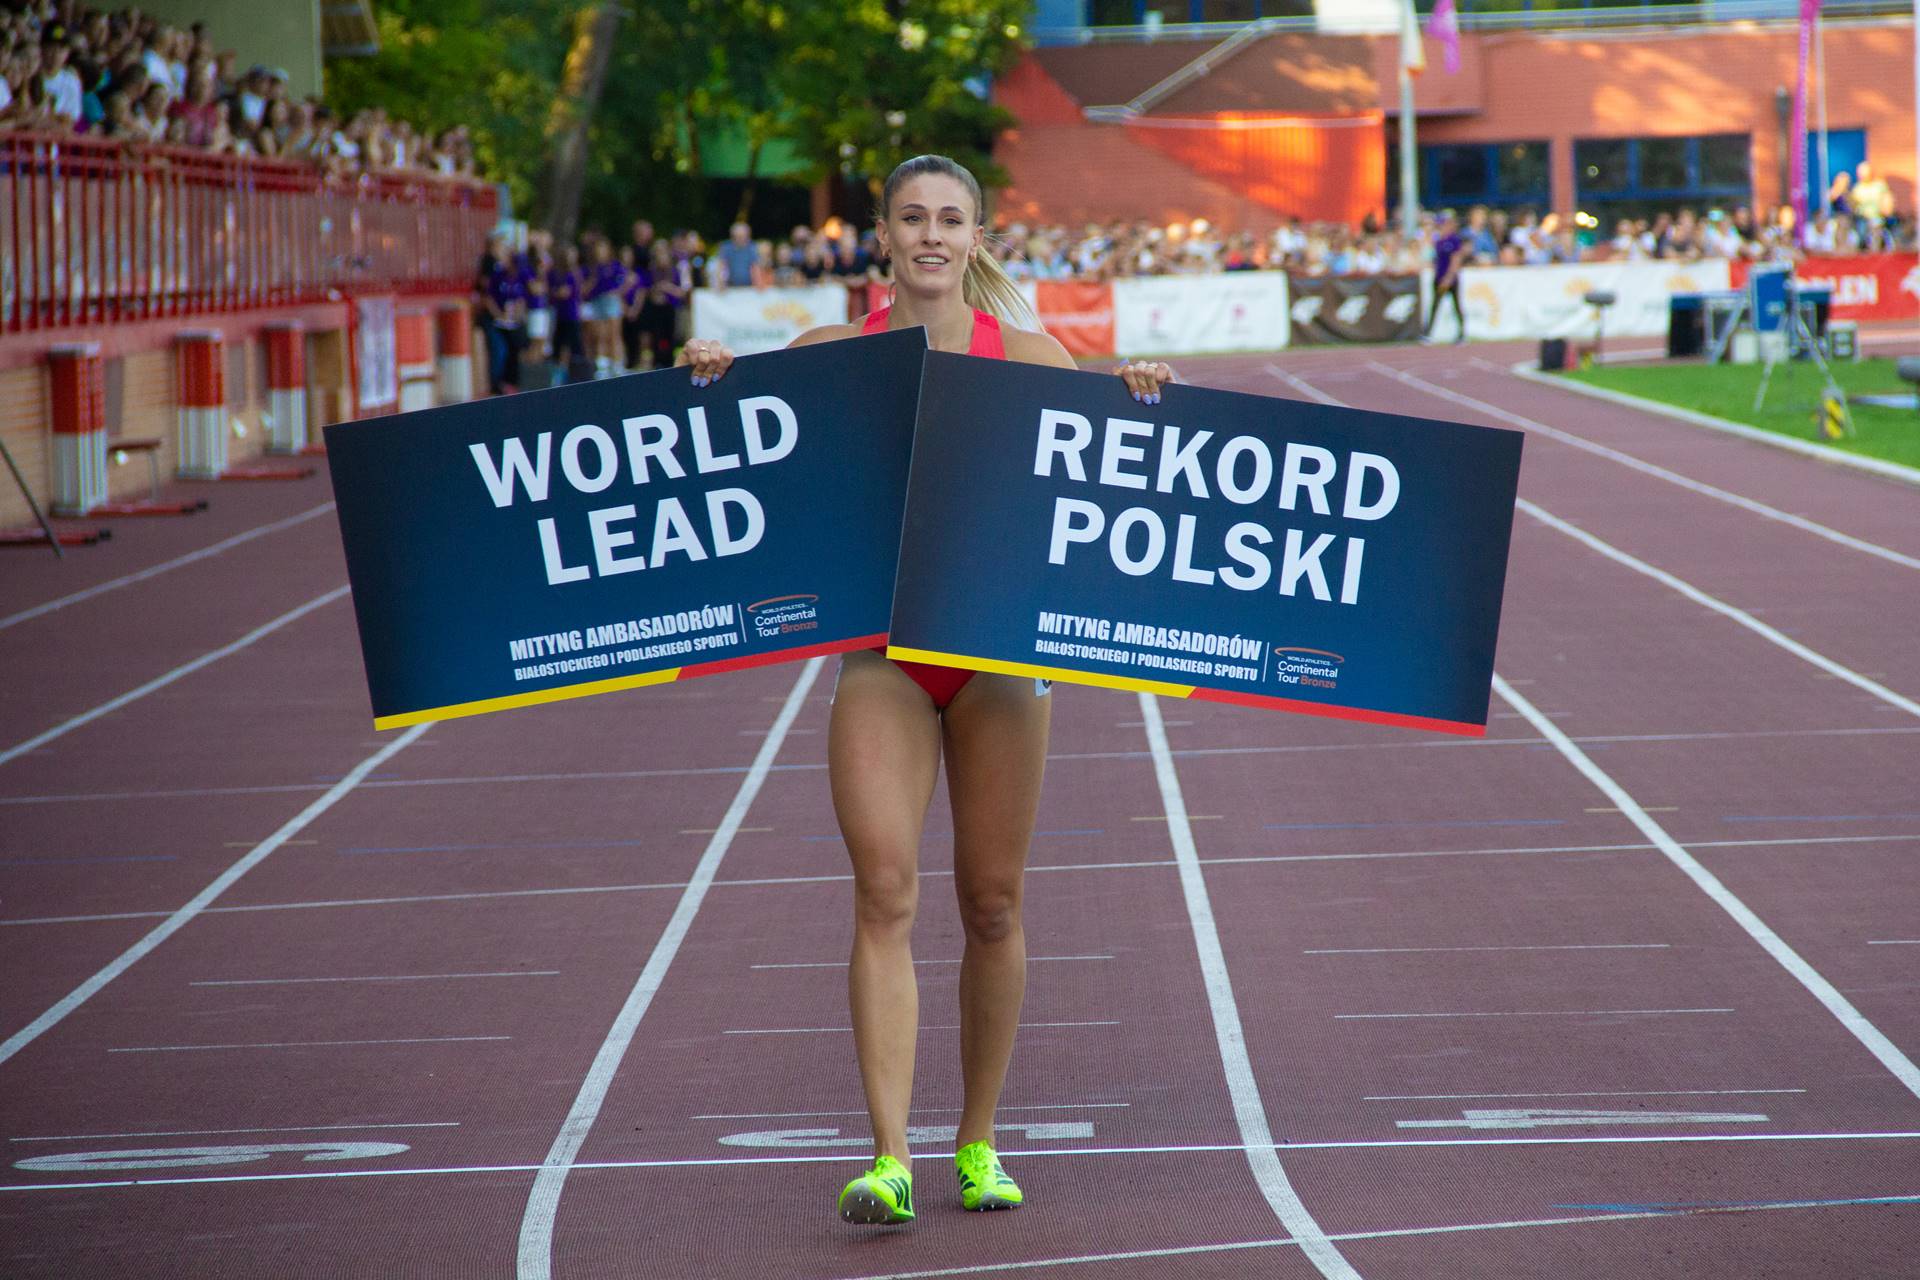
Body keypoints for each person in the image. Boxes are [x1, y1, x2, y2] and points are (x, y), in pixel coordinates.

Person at [680, 153, 1173, 1228]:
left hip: (996, 659)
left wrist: (1140, 399)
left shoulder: (1034, 359)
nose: (933, 235)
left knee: (992, 902)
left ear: (979, 235)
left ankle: (979, 1140)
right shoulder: (834, 355)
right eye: (914, 218)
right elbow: (723, 433)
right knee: (885, 888)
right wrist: (711, 371)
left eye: (952, 218)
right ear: (885, 235)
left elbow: (1111, 478)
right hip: (886, 659)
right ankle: (891, 1154)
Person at [1423, 209, 1469, 344]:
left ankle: (1461, 334)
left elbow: (1456, 259)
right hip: (1439, 277)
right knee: (1435, 305)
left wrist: (1449, 277)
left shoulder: (1454, 240)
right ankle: (1428, 333)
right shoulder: (1439, 241)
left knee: (1456, 305)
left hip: (1450, 279)